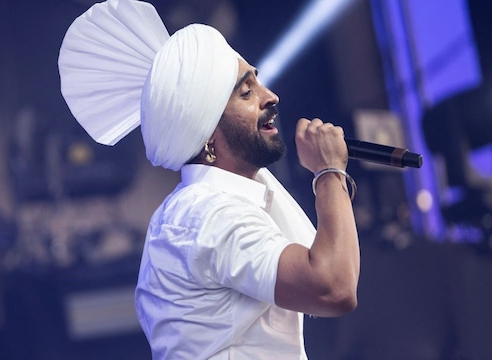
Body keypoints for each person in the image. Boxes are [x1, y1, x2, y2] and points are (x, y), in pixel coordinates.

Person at [58, 0, 360, 358]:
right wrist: (328, 172)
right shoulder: (211, 215)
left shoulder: (196, 209)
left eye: (258, 83)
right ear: (207, 133)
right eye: (246, 92)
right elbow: (333, 287)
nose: (270, 96)